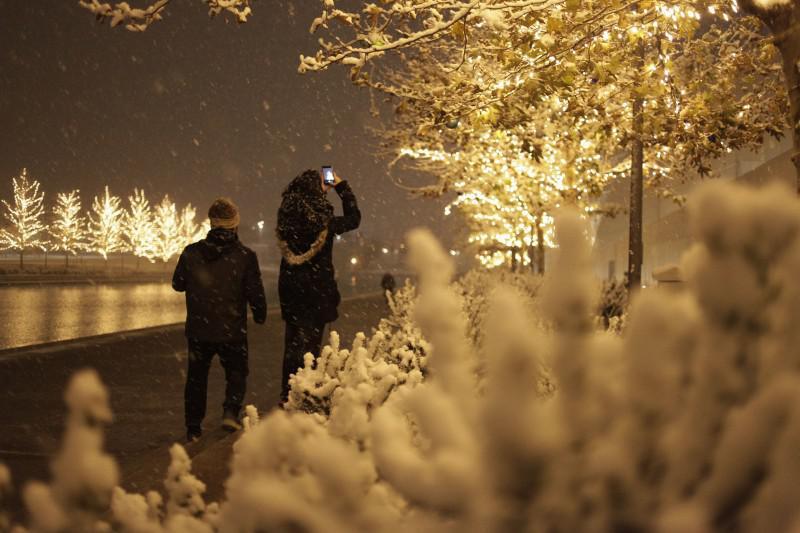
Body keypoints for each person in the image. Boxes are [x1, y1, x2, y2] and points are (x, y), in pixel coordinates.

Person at [172, 197, 267, 443]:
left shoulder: (192, 252)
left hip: (199, 328)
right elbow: (254, 291)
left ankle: (193, 428)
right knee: (236, 371)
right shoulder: (245, 256)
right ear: (234, 224)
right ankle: (230, 412)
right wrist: (259, 313)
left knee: (196, 379)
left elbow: (177, 284)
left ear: (212, 223)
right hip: (232, 329)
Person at [276, 168, 361, 404]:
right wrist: (341, 186)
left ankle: (287, 393)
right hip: (317, 289)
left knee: (292, 344)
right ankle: (306, 396)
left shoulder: (285, 215)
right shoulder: (324, 220)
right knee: (311, 347)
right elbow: (354, 219)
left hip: (291, 289)